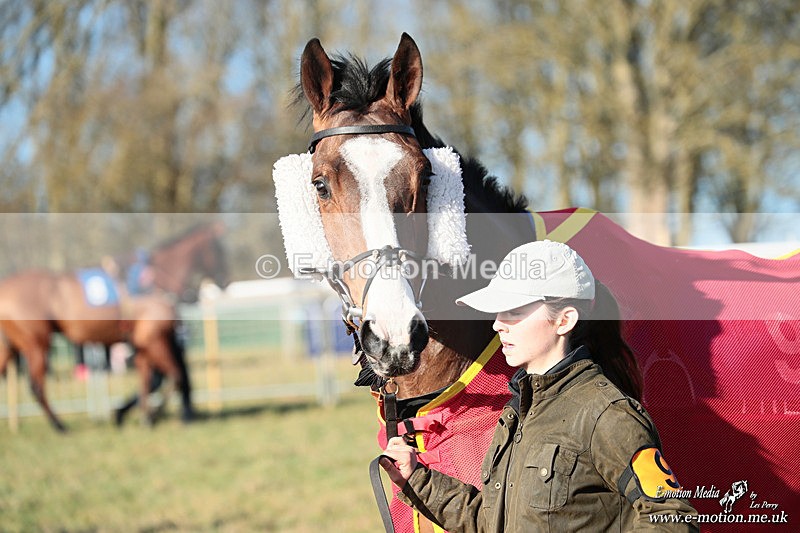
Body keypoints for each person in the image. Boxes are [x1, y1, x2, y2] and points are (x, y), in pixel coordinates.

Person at [380, 240, 699, 531]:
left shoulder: (607, 414)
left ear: (564, 320)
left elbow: (673, 520)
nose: (497, 324)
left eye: (515, 311)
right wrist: (416, 479)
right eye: (498, 311)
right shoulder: (516, 413)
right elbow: (492, 523)